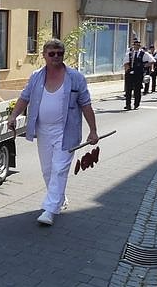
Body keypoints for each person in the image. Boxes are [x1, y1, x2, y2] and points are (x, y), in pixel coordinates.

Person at [6, 39, 99, 226]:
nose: (56, 56)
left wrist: (93, 130)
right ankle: (59, 199)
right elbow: (24, 98)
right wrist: (13, 116)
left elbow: (86, 104)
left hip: (67, 132)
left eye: (60, 53)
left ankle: (49, 210)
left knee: (59, 169)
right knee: (48, 170)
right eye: (52, 53)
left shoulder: (76, 78)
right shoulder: (36, 77)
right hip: (43, 131)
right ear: (44, 55)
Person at [123, 39, 151, 110]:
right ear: (133, 45)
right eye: (136, 45)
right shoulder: (129, 53)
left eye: (138, 45)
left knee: (137, 90)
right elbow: (125, 63)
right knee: (128, 90)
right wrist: (128, 71)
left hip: (138, 74)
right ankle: (128, 104)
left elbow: (152, 61)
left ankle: (136, 104)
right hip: (130, 73)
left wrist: (144, 66)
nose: (137, 46)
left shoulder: (144, 53)